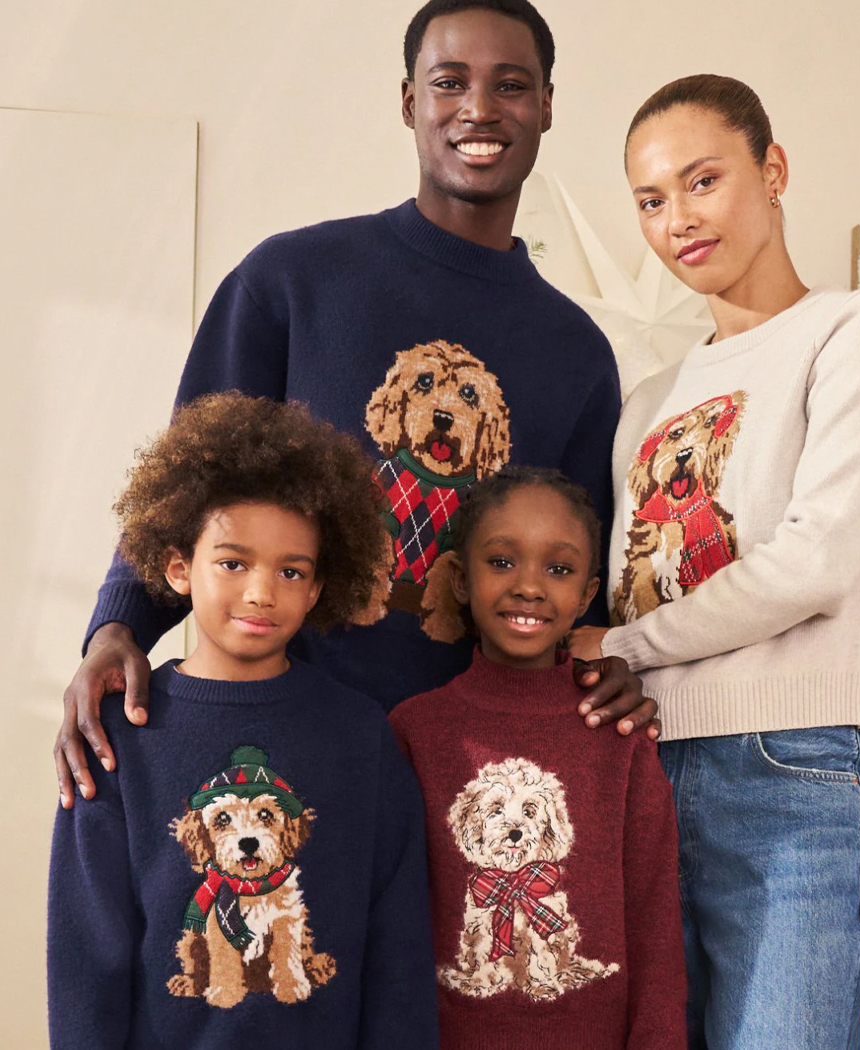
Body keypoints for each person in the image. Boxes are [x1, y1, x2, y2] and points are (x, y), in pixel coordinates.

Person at [55, 0, 659, 810]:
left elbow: (581, 577)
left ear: (547, 104)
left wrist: (614, 659)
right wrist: (116, 628)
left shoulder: (577, 353)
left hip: (468, 774)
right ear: (411, 101)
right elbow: (190, 491)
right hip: (275, 735)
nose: (479, 108)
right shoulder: (291, 282)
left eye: (510, 85)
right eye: (450, 82)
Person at [569, 73, 860, 1050]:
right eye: (650, 200)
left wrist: (626, 644)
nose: (678, 219)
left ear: (774, 171)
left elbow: (816, 562)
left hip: (793, 772)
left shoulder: (854, 332)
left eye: (703, 181)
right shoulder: (649, 400)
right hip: (645, 773)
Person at [47, 393, 438, 1049]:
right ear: (179, 567)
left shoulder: (361, 736)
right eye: (233, 562)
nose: (261, 592)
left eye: (291, 571)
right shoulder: (120, 736)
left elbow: (397, 949)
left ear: (318, 588)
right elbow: (88, 957)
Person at [391, 467, 687, 1050]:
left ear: (586, 592)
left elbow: (655, 912)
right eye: (502, 562)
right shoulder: (414, 730)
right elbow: (393, 923)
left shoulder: (619, 732)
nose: (529, 586)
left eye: (558, 569)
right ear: (460, 579)